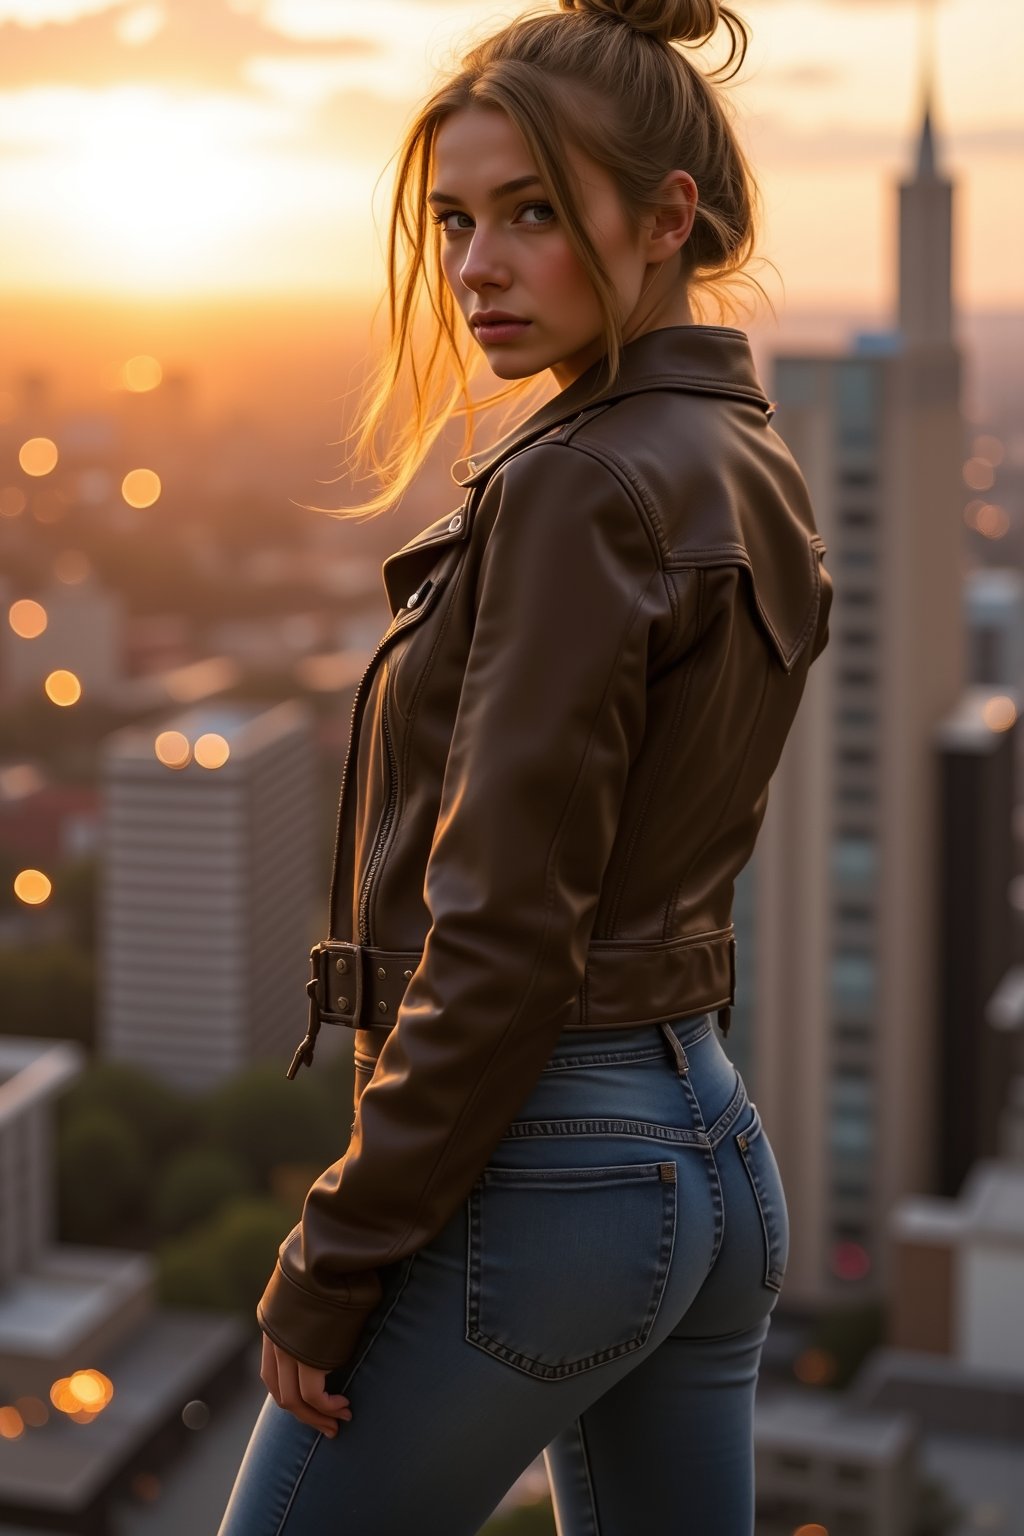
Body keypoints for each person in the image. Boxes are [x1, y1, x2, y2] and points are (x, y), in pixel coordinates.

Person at [217, 0, 833, 1531]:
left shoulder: (577, 484)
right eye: (454, 221)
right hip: (707, 1145)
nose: (476, 267)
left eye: (533, 213)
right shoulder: (747, 457)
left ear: (664, 219)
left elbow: (502, 935)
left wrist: (332, 1257)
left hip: (550, 1172)